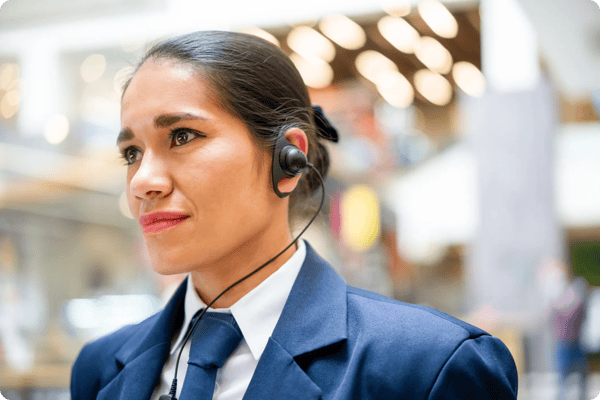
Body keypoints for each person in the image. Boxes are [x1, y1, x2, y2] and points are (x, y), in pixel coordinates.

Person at [70, 30, 518, 400]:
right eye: (131, 152)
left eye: (183, 136)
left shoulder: (426, 366)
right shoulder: (100, 369)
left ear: (287, 160)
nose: (142, 181)